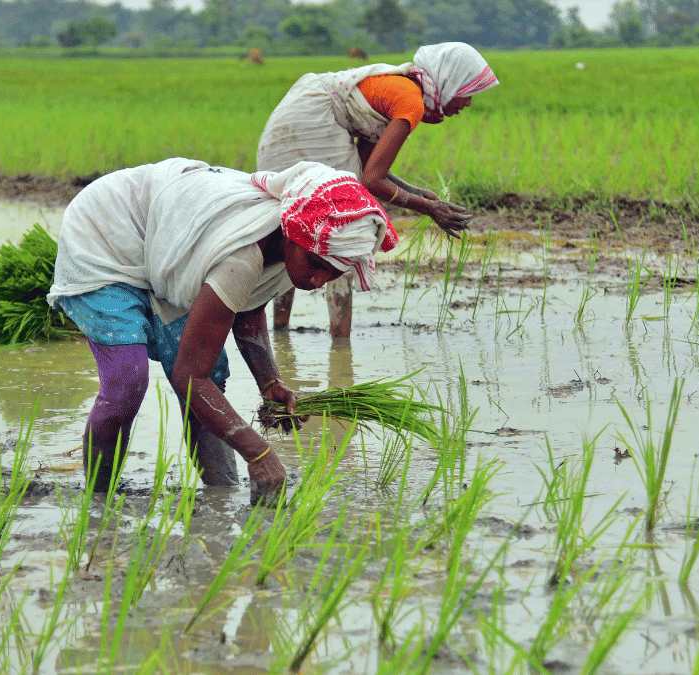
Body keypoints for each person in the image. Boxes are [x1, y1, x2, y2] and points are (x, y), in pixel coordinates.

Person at [46, 158, 397, 503]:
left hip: (166, 243)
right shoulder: (242, 252)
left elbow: (249, 302)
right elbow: (189, 376)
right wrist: (259, 454)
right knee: (127, 381)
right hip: (108, 235)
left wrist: (269, 381)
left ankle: (222, 493)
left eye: (334, 272)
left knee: (210, 377)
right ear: (292, 236)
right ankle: (97, 505)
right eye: (317, 265)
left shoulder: (284, 240)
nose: (320, 280)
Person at [257, 42, 499, 337]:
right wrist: (429, 209)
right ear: (451, 82)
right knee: (339, 229)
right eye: (467, 92)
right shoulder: (411, 102)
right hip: (311, 124)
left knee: (295, 223)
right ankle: (340, 345)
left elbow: (366, 167)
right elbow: (372, 180)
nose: (468, 103)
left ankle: (281, 332)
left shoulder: (402, 89)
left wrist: (418, 193)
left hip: (302, 114)